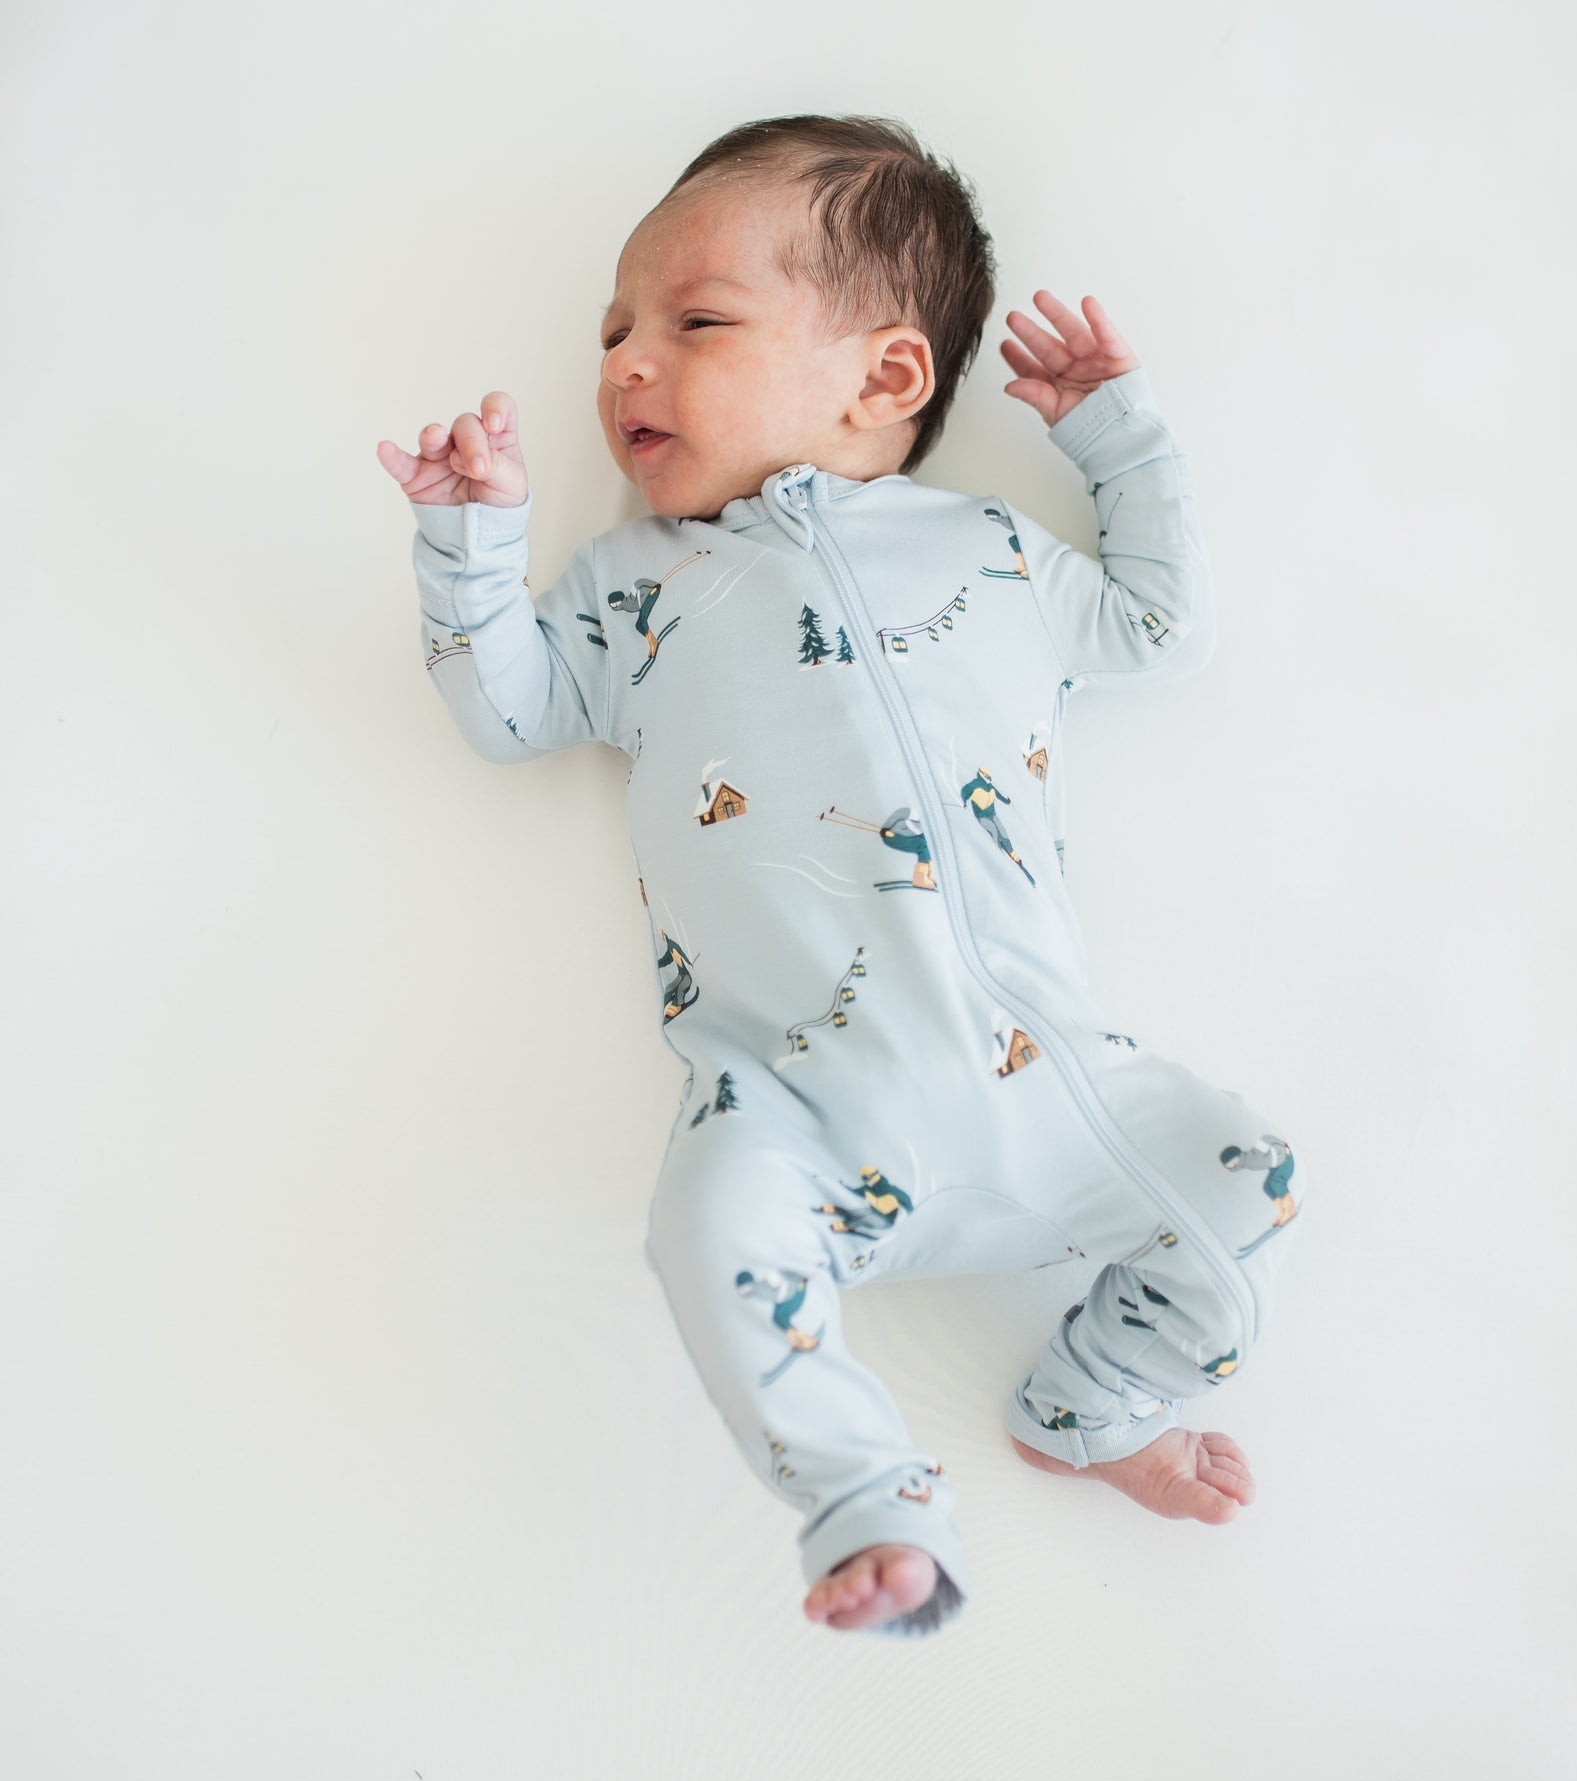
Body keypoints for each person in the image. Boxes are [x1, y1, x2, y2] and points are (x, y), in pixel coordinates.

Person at [376, 113, 1310, 1639]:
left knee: (1251, 1181)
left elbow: (1159, 627)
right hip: (792, 1110)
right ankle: (869, 1500)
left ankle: (1096, 1401)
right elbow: (512, 710)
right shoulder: (635, 588)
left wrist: (1118, 439)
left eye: (693, 322)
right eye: (614, 330)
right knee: (704, 1236)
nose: (623, 363)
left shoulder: (990, 553)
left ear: (886, 377)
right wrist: (472, 547)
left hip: (1059, 1092)